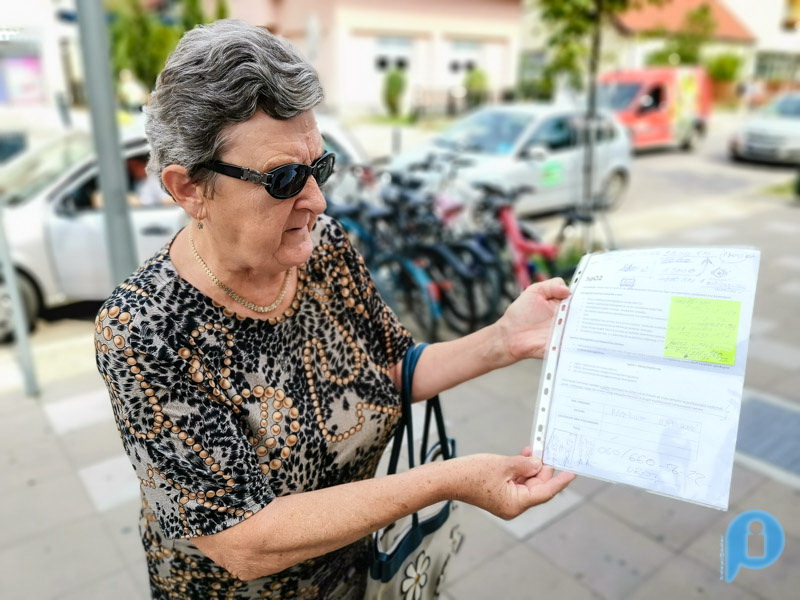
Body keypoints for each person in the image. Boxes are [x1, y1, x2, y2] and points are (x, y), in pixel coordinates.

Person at [94, 19, 574, 600]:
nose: (317, 201)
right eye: (284, 179)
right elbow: (243, 541)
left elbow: (392, 368)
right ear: (189, 188)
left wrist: (505, 339)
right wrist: (450, 480)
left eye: (319, 168)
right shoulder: (144, 330)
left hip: (356, 577)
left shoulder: (322, 247)